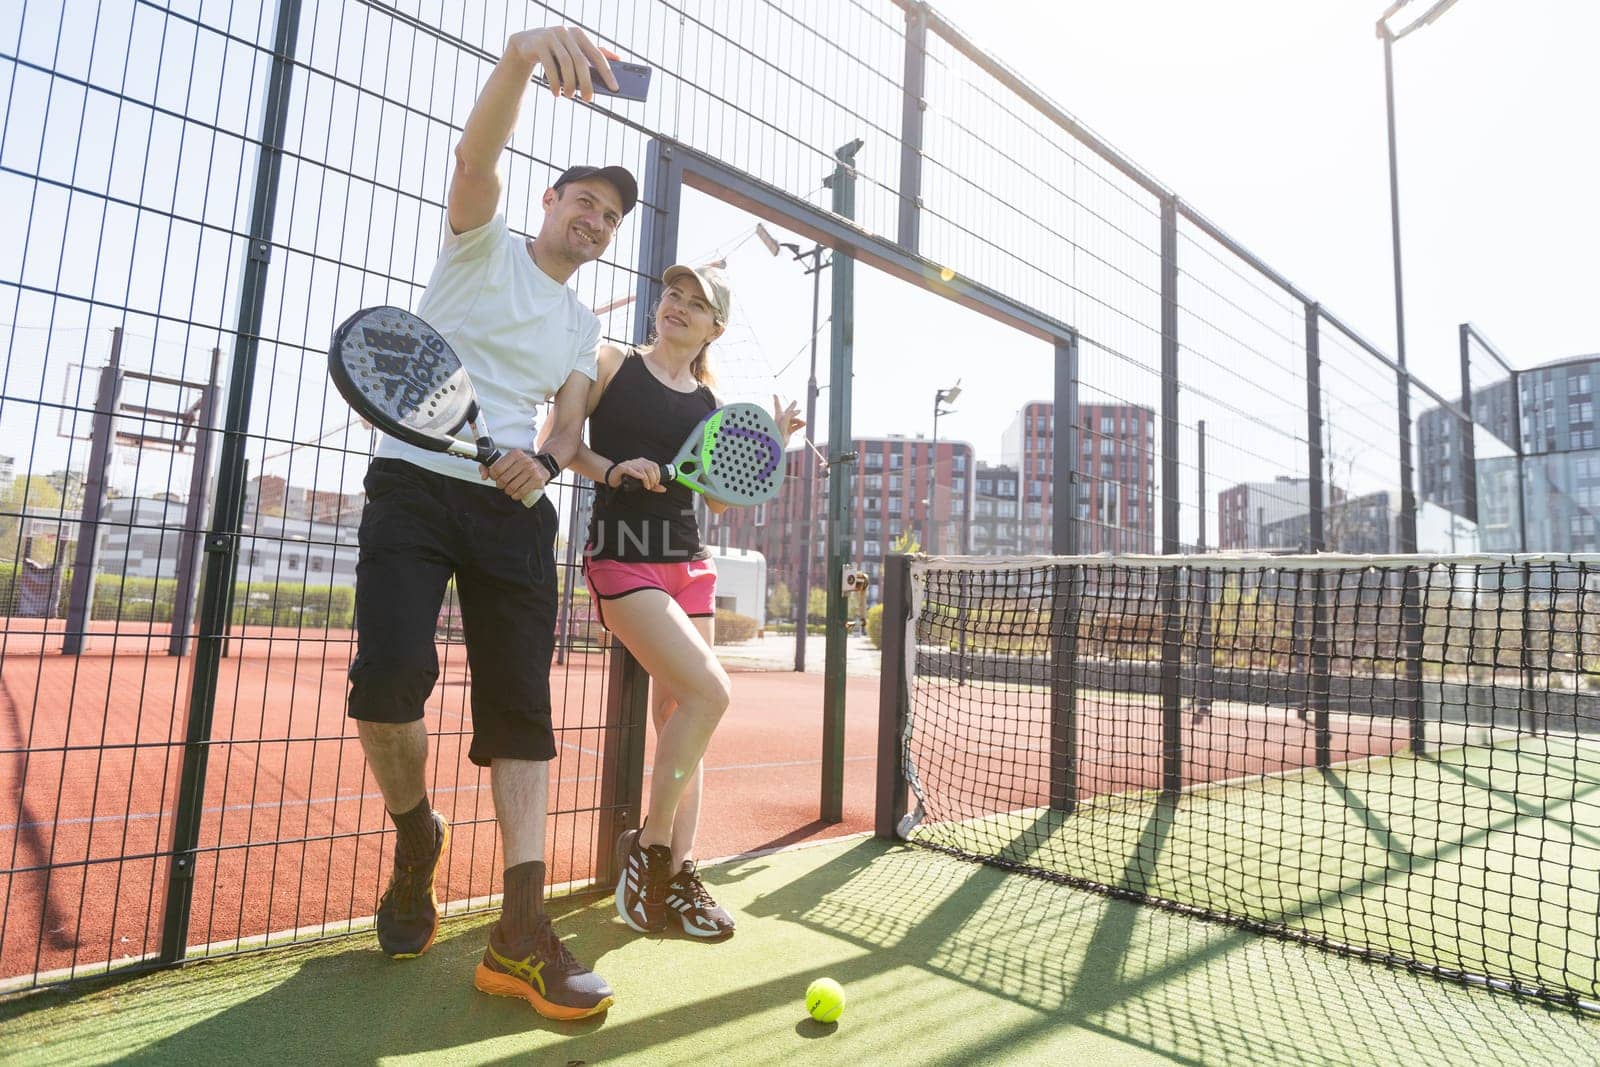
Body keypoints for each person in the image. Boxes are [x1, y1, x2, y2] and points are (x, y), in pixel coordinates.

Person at [345, 25, 630, 1021]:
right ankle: (417, 835)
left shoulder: (584, 326)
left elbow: (569, 415)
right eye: (584, 203)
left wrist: (546, 461)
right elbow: (476, 157)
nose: (594, 222)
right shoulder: (478, 241)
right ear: (549, 202)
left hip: (515, 513)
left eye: (608, 219)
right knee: (386, 686)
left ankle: (519, 926)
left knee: (520, 710)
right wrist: (517, 61)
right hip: (414, 487)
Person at [568, 265, 801, 941]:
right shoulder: (611, 362)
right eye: (674, 295)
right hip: (621, 558)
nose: (679, 307)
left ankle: (677, 871)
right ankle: (652, 851)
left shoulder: (707, 403)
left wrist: (773, 442)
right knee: (709, 693)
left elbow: (721, 493)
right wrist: (613, 469)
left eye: (696, 305)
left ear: (713, 328)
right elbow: (566, 445)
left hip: (687, 564)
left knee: (684, 717)